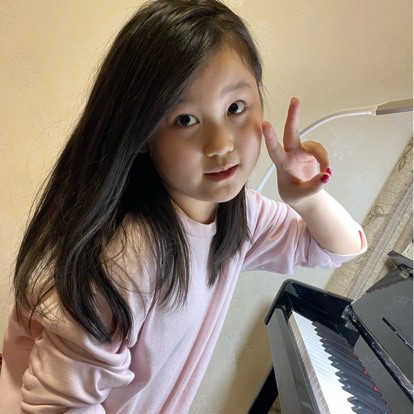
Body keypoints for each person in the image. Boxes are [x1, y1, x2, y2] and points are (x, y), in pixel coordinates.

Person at [0, 0, 366, 412]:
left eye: (235, 108)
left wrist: (307, 198)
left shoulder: (238, 213)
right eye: (185, 120)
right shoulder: (125, 259)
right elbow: (56, 406)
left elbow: (338, 248)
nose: (221, 144)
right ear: (142, 132)